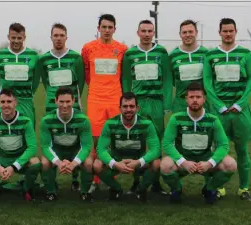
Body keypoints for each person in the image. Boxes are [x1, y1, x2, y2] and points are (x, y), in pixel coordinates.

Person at [203, 18, 251, 202]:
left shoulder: (246, 54)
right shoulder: (210, 56)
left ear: (235, 31)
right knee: (217, 150)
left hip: (239, 111)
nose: (227, 34)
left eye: (230, 31)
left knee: (242, 150)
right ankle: (219, 188)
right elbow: (207, 83)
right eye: (224, 31)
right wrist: (219, 105)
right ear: (219, 32)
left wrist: (240, 103)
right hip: (220, 111)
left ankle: (244, 189)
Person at [160, 82, 237, 204]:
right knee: (165, 165)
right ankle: (177, 189)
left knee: (230, 164)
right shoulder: (176, 118)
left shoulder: (213, 119)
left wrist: (210, 163)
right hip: (184, 160)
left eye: (198, 97)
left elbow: (223, 145)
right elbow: (167, 143)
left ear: (204, 99)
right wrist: (183, 162)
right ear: (186, 99)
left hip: (205, 160)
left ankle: (209, 189)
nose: (195, 100)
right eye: (191, 97)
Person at [121, 19, 171, 195]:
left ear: (154, 33)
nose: (147, 34)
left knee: (156, 141)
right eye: (144, 31)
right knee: (137, 142)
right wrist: (129, 103)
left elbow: (166, 79)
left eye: (150, 31)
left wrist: (167, 104)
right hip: (139, 103)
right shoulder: (130, 54)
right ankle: (136, 182)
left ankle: (155, 182)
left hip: (156, 102)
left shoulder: (162, 52)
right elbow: (126, 79)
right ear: (138, 33)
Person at [81, 14, 128, 192]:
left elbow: (123, 75)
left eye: (110, 27)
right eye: (104, 27)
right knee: (95, 140)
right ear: (98, 28)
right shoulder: (88, 48)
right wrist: (97, 87)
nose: (107, 30)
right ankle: (94, 178)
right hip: (95, 100)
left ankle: (110, 176)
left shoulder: (122, 49)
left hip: (115, 99)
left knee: (114, 139)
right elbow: (86, 72)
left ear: (115, 29)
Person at [36, 23, 85, 190]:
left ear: (66, 37)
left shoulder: (75, 57)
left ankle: (75, 177)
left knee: (74, 141)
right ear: (51, 37)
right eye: (55, 35)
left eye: (61, 35)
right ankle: (50, 177)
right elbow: (45, 82)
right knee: (53, 141)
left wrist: (76, 103)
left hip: (72, 106)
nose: (58, 38)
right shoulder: (43, 59)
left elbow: (81, 82)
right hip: (52, 106)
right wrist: (53, 98)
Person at [0, 89, 41, 202]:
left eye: (9, 101)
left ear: (16, 103)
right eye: (2, 102)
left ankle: (26, 189)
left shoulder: (25, 121)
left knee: (35, 163)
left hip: (19, 158)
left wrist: (14, 166)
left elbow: (32, 147)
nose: (5, 105)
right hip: (1, 158)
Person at [93, 92, 161, 202]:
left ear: (137, 108)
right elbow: (101, 150)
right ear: (119, 108)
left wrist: (139, 162)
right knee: (97, 165)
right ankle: (116, 189)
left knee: (156, 163)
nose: (128, 109)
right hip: (117, 159)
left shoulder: (147, 124)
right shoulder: (110, 124)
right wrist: (115, 163)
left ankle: (141, 190)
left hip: (138, 159)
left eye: (132, 106)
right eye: (125, 106)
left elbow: (156, 150)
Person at [40, 87, 94, 202]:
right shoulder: (46, 120)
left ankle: (85, 192)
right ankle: (51, 192)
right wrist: (58, 163)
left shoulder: (83, 120)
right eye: (61, 102)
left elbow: (86, 146)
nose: (65, 105)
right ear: (55, 101)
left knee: (89, 163)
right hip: (58, 150)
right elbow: (45, 146)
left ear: (73, 101)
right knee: (45, 162)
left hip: (75, 150)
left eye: (68, 101)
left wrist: (74, 163)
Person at [0, 23, 40, 124]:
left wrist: (27, 94)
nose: (16, 41)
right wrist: (4, 96)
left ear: (24, 38)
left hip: (25, 101)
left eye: (19, 38)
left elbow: (35, 81)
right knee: (3, 134)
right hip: (5, 101)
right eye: (13, 37)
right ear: (8, 37)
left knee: (27, 131)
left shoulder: (34, 56)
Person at [169, 19, 210, 113]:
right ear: (180, 34)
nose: (187, 35)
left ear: (196, 32)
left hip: (203, 104)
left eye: (190, 31)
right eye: (184, 32)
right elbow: (171, 80)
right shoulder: (173, 56)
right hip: (180, 104)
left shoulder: (206, 54)